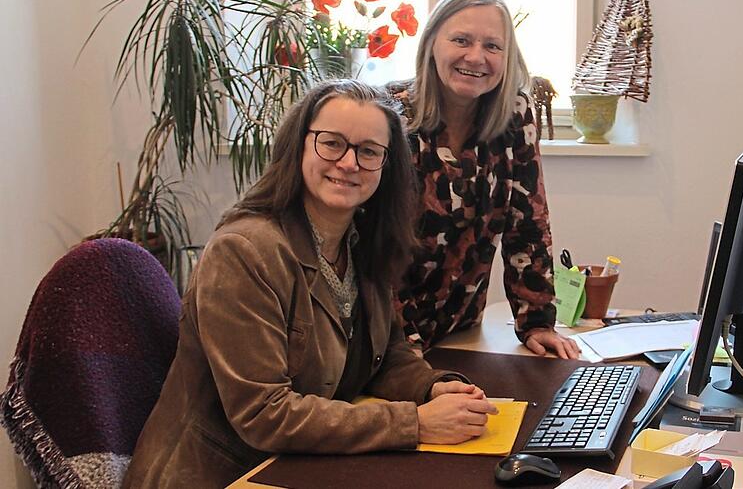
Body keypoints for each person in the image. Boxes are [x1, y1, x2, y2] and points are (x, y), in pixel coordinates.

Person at [124, 80, 497, 489]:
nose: (349, 163)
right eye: (332, 143)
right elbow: (264, 414)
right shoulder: (245, 251)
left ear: (386, 167)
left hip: (296, 466)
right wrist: (415, 423)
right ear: (299, 146)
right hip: (220, 475)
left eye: (369, 151)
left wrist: (434, 389)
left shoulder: (360, 241)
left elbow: (386, 356)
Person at [389, 0, 581, 359]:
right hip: (385, 339)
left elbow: (528, 222)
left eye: (493, 46)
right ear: (431, 44)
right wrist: (401, 354)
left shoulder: (515, 117)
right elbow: (370, 250)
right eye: (461, 40)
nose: (476, 57)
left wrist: (537, 322)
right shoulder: (390, 117)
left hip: (457, 333)